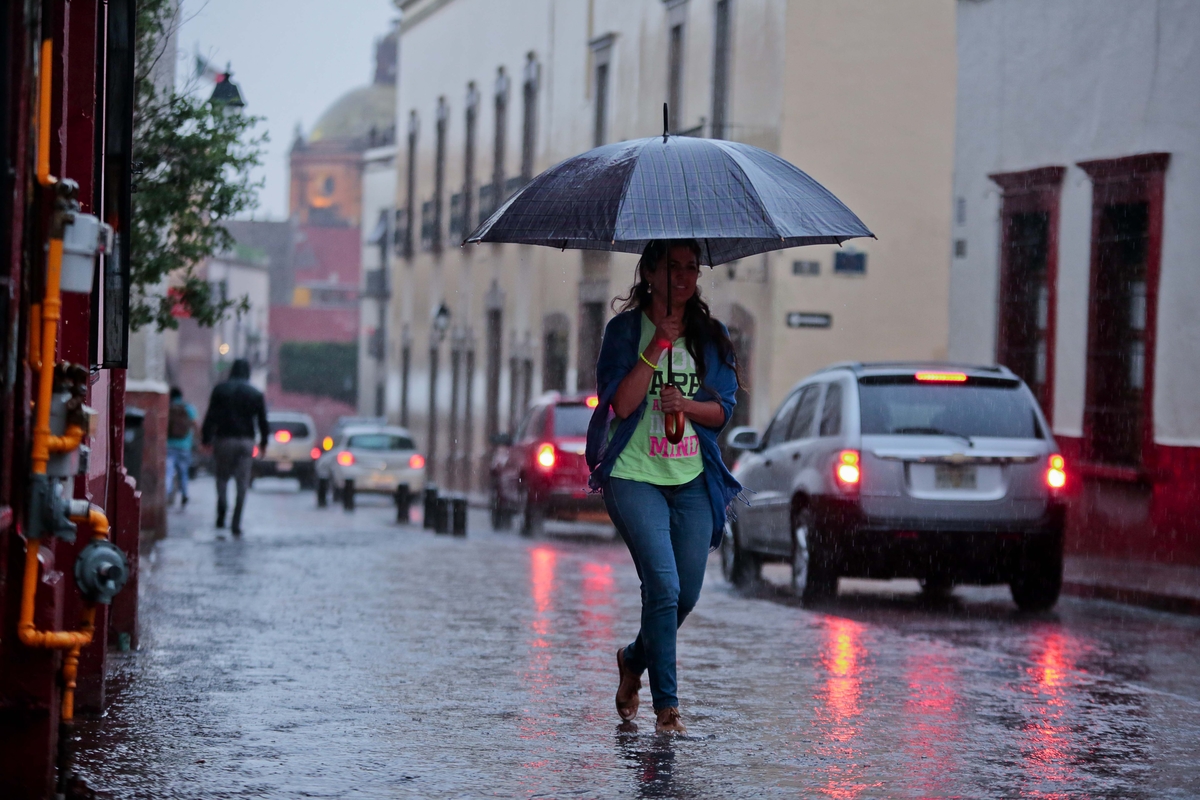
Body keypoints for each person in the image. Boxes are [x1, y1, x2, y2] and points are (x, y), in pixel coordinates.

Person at [586, 239, 742, 735]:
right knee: (663, 586)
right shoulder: (624, 331)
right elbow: (623, 405)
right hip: (634, 475)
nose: (682, 278)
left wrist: (687, 407)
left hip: (692, 478)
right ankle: (667, 708)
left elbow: (722, 409)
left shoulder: (710, 337)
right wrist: (656, 346)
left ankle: (633, 660)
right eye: (672, 268)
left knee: (686, 595)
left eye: (691, 268)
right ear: (649, 272)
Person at [201, 359, 268, 535]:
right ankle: (236, 522)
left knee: (222, 478)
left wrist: (206, 439)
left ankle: (222, 507)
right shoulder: (255, 393)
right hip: (246, 441)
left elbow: (210, 416)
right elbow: (262, 421)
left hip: (224, 439)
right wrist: (263, 443)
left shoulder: (220, 390)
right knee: (242, 482)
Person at [165, 386, 198, 506]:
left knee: (168, 471)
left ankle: (166, 492)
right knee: (183, 472)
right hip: (185, 446)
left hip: (169, 445)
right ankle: (184, 494)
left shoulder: (167, 407)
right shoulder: (189, 408)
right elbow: (195, 425)